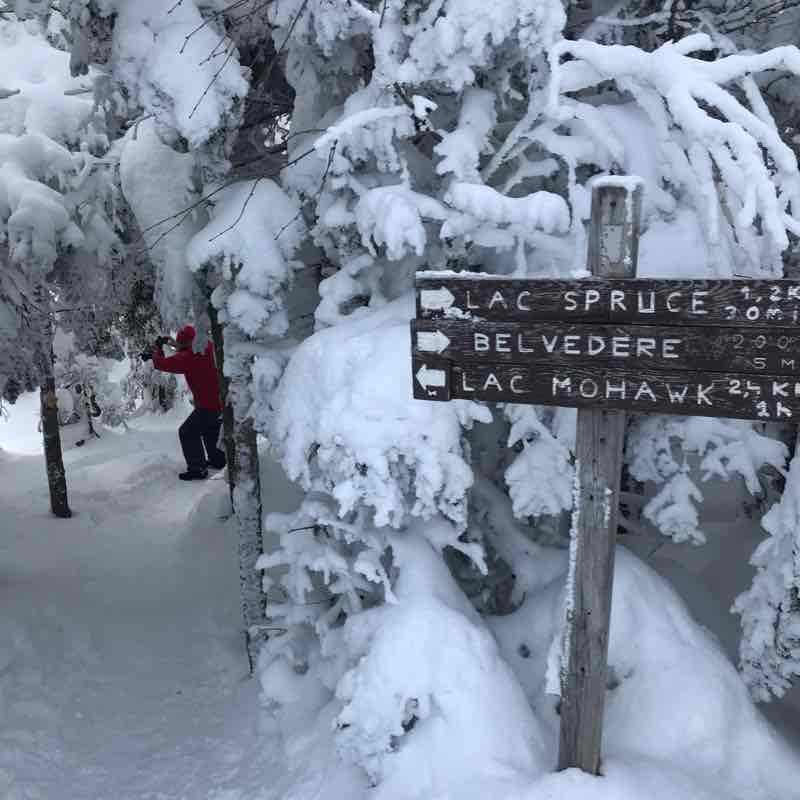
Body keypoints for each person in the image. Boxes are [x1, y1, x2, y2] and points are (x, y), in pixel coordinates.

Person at [144, 325, 226, 481]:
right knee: (210, 429)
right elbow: (185, 349)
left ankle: (197, 469)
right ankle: (218, 461)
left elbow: (162, 363)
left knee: (187, 432)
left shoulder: (189, 357)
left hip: (206, 406)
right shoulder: (207, 346)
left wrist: (156, 350)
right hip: (220, 403)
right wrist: (170, 342)